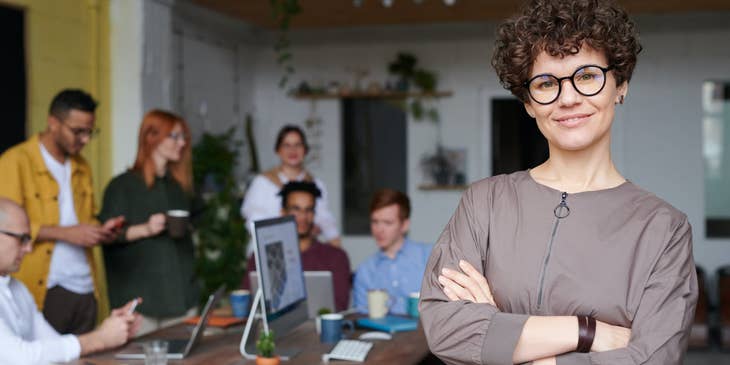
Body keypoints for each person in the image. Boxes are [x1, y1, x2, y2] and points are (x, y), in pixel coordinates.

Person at [420, 1, 698, 364]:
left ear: (620, 86)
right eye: (547, 83)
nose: (568, 98)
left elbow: (653, 359)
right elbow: (445, 328)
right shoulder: (484, 203)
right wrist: (588, 332)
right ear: (529, 104)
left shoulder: (664, 229)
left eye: (586, 76)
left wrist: (499, 337)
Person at [0, 89, 123, 335]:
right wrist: (67, 234)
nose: (85, 139)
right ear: (53, 123)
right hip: (45, 288)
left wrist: (100, 232)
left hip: (86, 287)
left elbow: (84, 219)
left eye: (90, 132)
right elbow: (7, 227)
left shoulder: (82, 166)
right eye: (78, 131)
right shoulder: (15, 161)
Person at [0, 197, 140, 364]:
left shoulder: (18, 290)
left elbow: (53, 345)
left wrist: (111, 332)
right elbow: (19, 358)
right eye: (22, 239)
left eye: (29, 239)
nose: (29, 248)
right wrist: (99, 339)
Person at [99, 110, 199, 336]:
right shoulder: (122, 186)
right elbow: (106, 235)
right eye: (174, 136)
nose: (182, 143)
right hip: (142, 304)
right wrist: (146, 228)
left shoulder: (179, 187)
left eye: (183, 137)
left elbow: (196, 222)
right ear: (151, 137)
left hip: (182, 297)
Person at [242, 181, 351, 311]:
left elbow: (339, 307)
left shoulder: (336, 257)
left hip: (318, 329)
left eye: (308, 210)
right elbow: (246, 304)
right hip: (274, 329)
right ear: (283, 212)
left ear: (314, 214)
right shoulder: (260, 256)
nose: (303, 217)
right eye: (296, 209)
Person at [241, 125, 340, 249]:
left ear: (305, 150)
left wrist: (334, 241)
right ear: (278, 150)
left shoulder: (315, 185)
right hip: (267, 249)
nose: (292, 150)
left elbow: (325, 219)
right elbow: (253, 220)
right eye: (286, 145)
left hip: (304, 251)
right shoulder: (262, 183)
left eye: (297, 145)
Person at [353, 189, 432, 315]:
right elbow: (361, 317)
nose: (379, 229)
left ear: (404, 225)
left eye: (387, 223)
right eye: (375, 222)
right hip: (381, 334)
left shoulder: (429, 256)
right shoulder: (365, 270)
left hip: (426, 333)